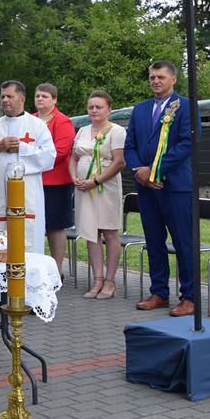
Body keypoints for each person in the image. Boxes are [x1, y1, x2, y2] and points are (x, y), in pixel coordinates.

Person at [125, 61, 195, 316]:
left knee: (183, 242)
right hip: (147, 188)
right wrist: (140, 172)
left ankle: (190, 297)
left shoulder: (185, 106)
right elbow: (130, 146)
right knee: (154, 241)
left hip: (175, 186)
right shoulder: (140, 109)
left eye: (161, 77)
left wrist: (154, 171)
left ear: (173, 79)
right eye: (152, 77)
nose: (155, 81)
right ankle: (159, 293)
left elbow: (187, 143)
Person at [0, 80, 56, 253]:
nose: (5, 100)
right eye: (3, 97)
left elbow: (49, 156)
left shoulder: (37, 126)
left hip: (28, 191)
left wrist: (22, 148)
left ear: (22, 99)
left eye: (10, 96)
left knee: (27, 233)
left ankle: (28, 269)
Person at [70, 91, 126, 299]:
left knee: (109, 232)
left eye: (98, 107)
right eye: (91, 107)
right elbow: (73, 157)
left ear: (109, 109)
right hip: (83, 188)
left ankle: (110, 281)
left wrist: (95, 181)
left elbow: (119, 162)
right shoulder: (83, 130)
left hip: (105, 187)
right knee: (90, 232)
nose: (94, 110)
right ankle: (97, 279)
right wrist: (73, 177)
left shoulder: (117, 131)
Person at [33, 83, 76, 276]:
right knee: (33, 225)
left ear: (54, 100)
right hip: (32, 181)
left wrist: (31, 160)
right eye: (37, 96)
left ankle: (56, 271)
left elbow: (60, 152)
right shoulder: (29, 119)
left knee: (55, 226)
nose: (40, 99)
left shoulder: (63, 121)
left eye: (44, 96)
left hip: (56, 183)